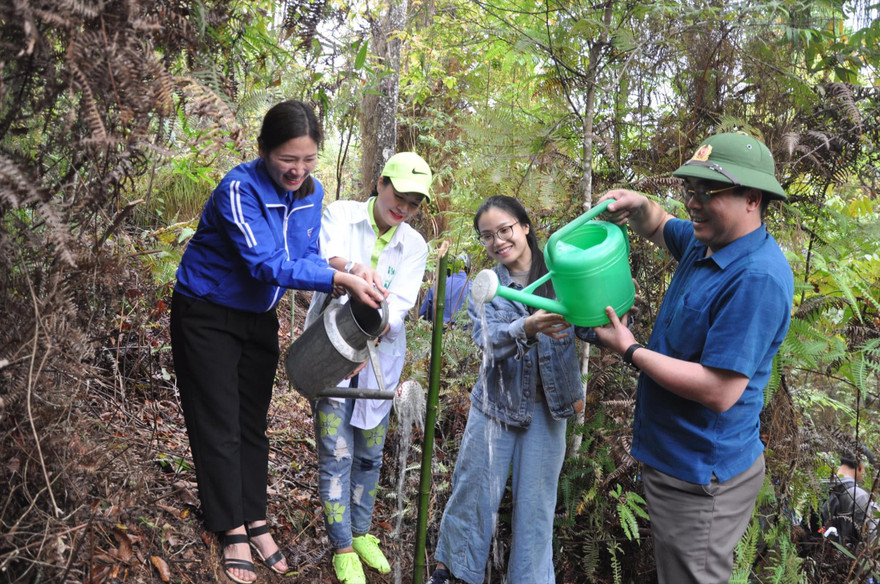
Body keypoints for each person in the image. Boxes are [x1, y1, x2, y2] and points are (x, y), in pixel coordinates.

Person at [170, 99, 384, 584]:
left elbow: (307, 253)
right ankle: (231, 529)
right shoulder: (238, 189)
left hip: (258, 318)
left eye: (309, 159)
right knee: (219, 421)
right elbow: (265, 264)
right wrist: (340, 283)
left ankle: (256, 518)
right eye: (289, 158)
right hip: (207, 312)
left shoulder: (313, 193)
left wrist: (348, 268)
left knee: (252, 421)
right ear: (264, 149)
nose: (299, 170)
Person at [592, 132, 794, 584]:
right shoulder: (708, 244)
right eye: (691, 191)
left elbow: (720, 391)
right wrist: (639, 203)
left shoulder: (756, 278)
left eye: (710, 193)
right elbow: (661, 225)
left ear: (752, 199)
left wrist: (630, 348)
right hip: (675, 463)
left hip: (702, 478)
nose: (695, 204)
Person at [430, 195, 587, 584]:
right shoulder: (486, 287)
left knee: (536, 510)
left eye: (505, 230)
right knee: (473, 495)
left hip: (547, 412)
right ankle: (452, 575)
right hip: (495, 408)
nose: (498, 241)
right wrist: (527, 327)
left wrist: (615, 300)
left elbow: (590, 321)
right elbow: (488, 341)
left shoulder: (561, 275)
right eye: (488, 236)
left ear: (525, 226)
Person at [306, 152, 432, 584]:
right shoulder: (342, 214)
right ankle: (341, 545)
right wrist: (353, 269)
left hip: (380, 361)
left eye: (414, 204)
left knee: (370, 453)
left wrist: (371, 334)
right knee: (336, 451)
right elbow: (323, 258)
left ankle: (361, 532)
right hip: (330, 353)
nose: (404, 209)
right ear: (381, 184)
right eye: (400, 196)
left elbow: (399, 305)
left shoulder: (414, 244)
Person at [820, 446, 879, 544]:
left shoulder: (820, 486)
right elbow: (869, 539)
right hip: (846, 557)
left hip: (816, 554)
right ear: (860, 466)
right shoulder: (859, 496)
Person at [419, 253, 472, 325]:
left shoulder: (437, 285)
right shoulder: (474, 287)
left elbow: (423, 315)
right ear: (468, 269)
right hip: (464, 333)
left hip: (438, 333)